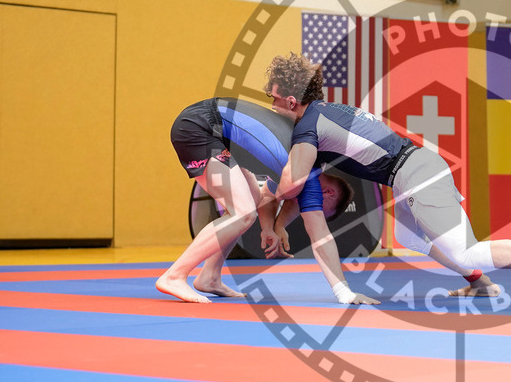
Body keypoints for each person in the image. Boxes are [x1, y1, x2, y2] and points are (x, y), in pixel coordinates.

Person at [261, 52, 511, 309]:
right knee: (412, 237)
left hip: (415, 173)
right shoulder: (327, 113)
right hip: (413, 169)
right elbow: (301, 186)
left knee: (466, 250)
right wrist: (278, 225)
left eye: (273, 99)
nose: (270, 106)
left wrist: (272, 186)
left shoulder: (308, 126)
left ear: (291, 101)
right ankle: (479, 282)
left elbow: (292, 185)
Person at [157, 97, 367, 304]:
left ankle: (210, 276)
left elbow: (268, 195)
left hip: (211, 129)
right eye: (320, 208)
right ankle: (174, 276)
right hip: (201, 125)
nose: (309, 208)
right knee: (243, 213)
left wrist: (271, 228)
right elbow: (304, 214)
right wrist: (343, 290)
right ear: (328, 192)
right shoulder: (303, 170)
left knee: (252, 198)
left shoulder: (300, 163)